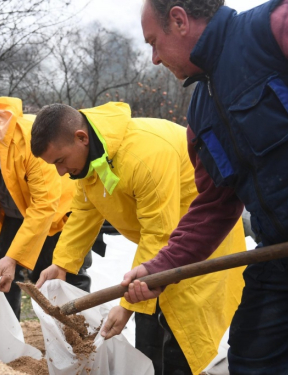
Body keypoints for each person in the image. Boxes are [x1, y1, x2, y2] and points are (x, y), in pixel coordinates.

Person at [116, 1, 288, 373]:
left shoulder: (272, 29)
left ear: (178, 20)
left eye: (153, 43)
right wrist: (160, 267)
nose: (154, 60)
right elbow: (215, 206)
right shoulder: (201, 114)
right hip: (278, 255)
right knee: (252, 360)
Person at [31, 102, 246, 375]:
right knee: (148, 337)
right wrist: (61, 264)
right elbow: (86, 209)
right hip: (158, 250)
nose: (60, 172)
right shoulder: (91, 160)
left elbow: (159, 234)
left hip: (202, 244)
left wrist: (127, 307)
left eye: (60, 161)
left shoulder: (143, 156)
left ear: (81, 138)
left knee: (182, 338)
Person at [0, 94, 91, 320]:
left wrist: (15, 257)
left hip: (58, 212)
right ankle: (8, 336)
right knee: (2, 274)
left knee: (62, 274)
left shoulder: (27, 138)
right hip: (14, 213)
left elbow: (44, 204)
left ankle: (79, 336)